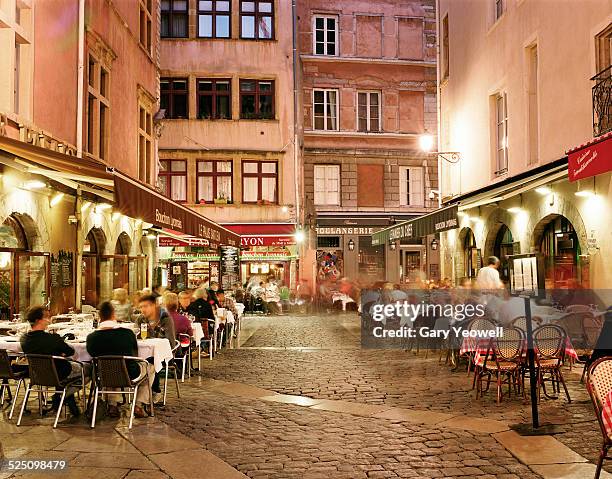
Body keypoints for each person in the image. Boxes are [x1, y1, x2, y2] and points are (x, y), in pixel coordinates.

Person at [86, 301, 155, 418]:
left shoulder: (91, 338)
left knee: (110, 368)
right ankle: (138, 404)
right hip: (129, 373)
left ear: (99, 317)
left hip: (103, 374)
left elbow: (91, 354)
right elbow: (135, 355)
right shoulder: (127, 334)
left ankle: (112, 404)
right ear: (113, 315)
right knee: (151, 368)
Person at [20, 306, 86, 418]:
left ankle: (61, 395)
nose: (49, 319)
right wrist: (60, 353)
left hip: (37, 374)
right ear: (38, 320)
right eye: (46, 317)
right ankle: (63, 395)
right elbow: (70, 351)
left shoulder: (24, 338)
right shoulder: (52, 339)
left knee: (70, 371)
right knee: (88, 370)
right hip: (61, 372)